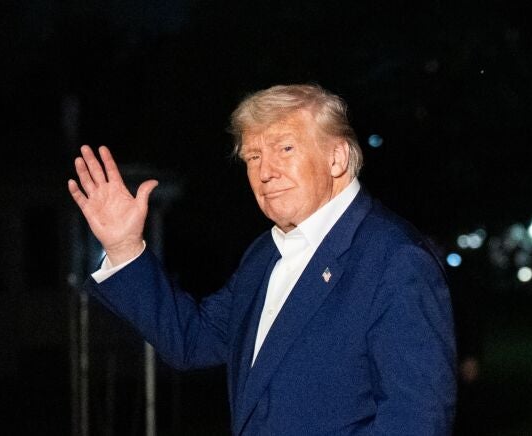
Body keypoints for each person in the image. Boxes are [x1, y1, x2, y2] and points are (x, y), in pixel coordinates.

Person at [68, 84, 456, 435]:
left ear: (337, 158)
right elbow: (192, 341)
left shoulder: (396, 260)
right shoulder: (264, 254)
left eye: (285, 149)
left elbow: (416, 422)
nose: (265, 172)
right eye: (253, 156)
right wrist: (124, 248)